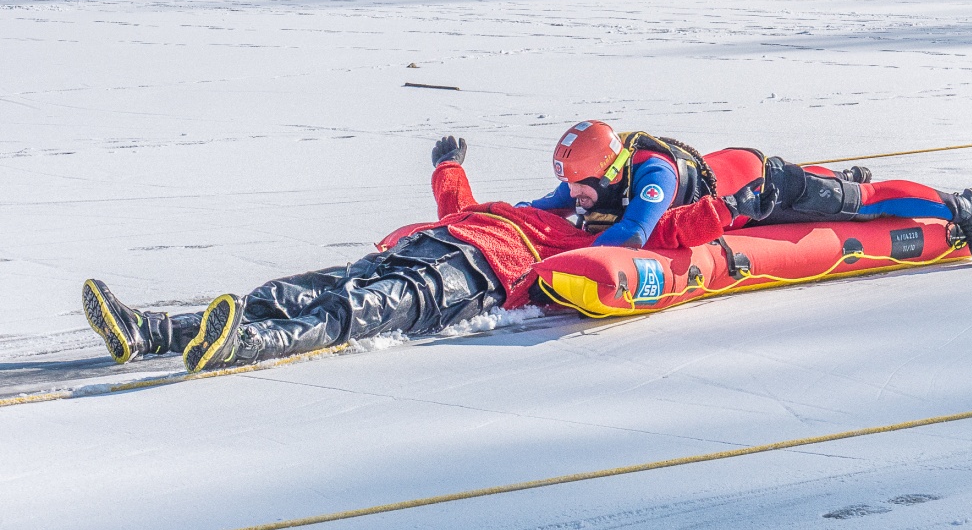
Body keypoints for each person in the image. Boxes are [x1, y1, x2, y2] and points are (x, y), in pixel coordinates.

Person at [83, 136, 596, 373]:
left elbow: (670, 238)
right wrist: (447, 166)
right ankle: (147, 332)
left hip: (466, 281)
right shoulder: (524, 210)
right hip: (421, 248)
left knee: (351, 312)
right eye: (576, 193)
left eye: (589, 197)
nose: (578, 200)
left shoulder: (585, 245)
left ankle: (245, 346)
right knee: (287, 292)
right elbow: (457, 208)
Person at [528, 120, 972, 264]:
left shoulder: (655, 176)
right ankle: (841, 178)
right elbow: (535, 209)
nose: (572, 195)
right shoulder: (594, 180)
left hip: (763, 185)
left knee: (863, 206)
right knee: (837, 196)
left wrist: (552, 261)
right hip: (736, 201)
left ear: (608, 172)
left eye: (579, 186)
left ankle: (962, 205)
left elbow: (633, 235)